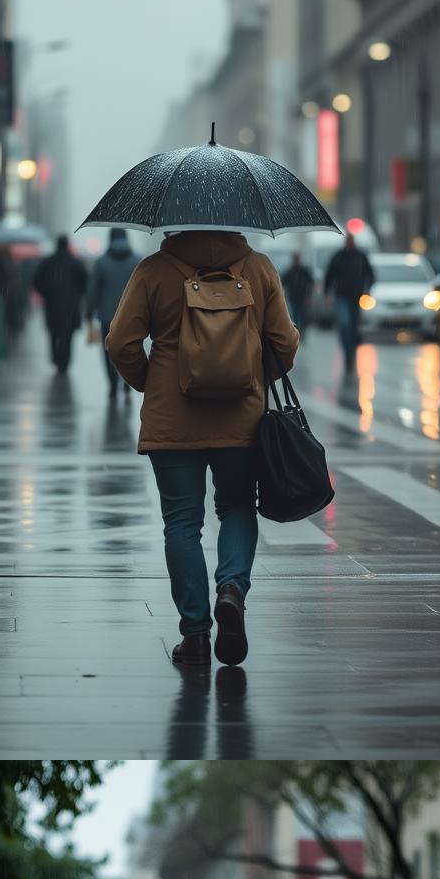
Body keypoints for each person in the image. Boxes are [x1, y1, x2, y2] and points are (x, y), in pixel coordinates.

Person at [106, 225, 301, 672]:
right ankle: (231, 589)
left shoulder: (153, 271)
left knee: (181, 522)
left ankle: (194, 635)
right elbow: (284, 345)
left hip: (173, 419)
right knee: (236, 508)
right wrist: (249, 376)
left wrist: (151, 382)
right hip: (241, 417)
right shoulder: (258, 268)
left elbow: (121, 342)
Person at [87, 227, 142, 404]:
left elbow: (93, 290)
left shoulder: (101, 263)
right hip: (132, 316)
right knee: (131, 348)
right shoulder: (136, 261)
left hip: (107, 316)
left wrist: (88, 311)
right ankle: (128, 379)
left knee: (109, 351)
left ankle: (112, 383)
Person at [30, 234, 89, 374]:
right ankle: (65, 362)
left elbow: (36, 281)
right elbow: (85, 283)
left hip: (52, 306)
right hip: (71, 307)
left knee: (53, 334)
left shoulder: (48, 262)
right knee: (67, 336)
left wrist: (46, 293)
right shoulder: (75, 263)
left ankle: (56, 359)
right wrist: (77, 295)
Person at [323, 233, 374, 374]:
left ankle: (350, 354)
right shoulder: (339, 257)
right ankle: (347, 351)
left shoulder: (360, 257)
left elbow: (370, 274)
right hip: (341, 297)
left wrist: (367, 290)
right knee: (344, 323)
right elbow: (329, 275)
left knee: (353, 327)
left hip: (356, 298)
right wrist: (327, 292)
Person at [281, 250, 317, 337]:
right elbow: (282, 282)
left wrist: (309, 295)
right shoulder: (289, 272)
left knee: (303, 315)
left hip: (303, 297)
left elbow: (311, 282)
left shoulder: (304, 271)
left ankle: (303, 332)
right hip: (293, 298)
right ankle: (297, 332)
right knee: (295, 315)